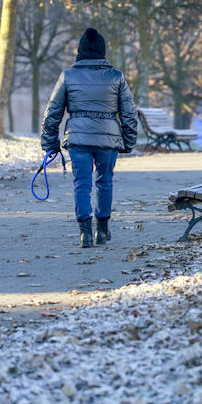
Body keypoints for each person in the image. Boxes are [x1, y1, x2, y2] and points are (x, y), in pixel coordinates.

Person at [41, 28, 138, 248]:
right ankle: (102, 231)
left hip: (78, 138)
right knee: (105, 182)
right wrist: (129, 141)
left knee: (81, 184)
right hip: (108, 139)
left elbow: (53, 111)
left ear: (80, 50)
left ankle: (85, 233)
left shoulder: (68, 75)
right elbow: (129, 113)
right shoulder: (116, 76)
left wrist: (49, 143)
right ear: (103, 51)